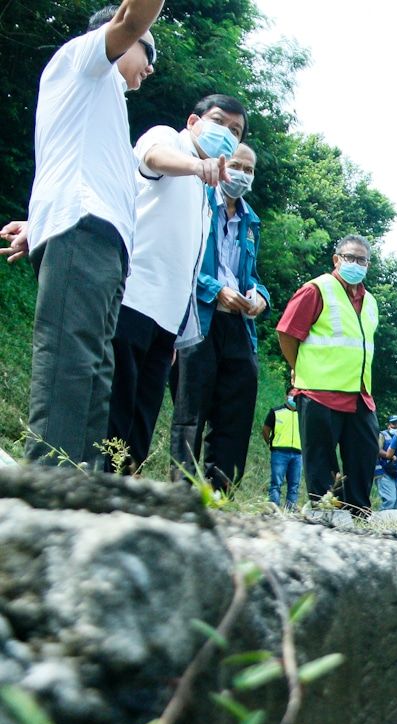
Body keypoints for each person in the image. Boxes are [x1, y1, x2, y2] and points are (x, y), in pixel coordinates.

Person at [0, 1, 163, 468]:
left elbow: (73, 161)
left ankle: (80, 479)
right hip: (84, 231)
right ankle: (50, 478)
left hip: (97, 237)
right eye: (148, 52)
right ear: (120, 37)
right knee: (71, 358)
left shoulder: (99, 97)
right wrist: (57, 219)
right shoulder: (84, 61)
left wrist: (41, 220)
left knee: (94, 366)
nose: (151, 68)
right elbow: (133, 17)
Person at [107, 94, 247, 473]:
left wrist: (178, 332)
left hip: (166, 323)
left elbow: (184, 265)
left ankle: (119, 496)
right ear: (193, 121)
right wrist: (198, 166)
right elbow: (152, 158)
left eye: (236, 131)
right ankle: (91, 490)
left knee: (141, 420)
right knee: (113, 411)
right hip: (131, 301)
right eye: (219, 122)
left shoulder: (205, 199)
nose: (227, 134)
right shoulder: (169, 140)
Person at [170, 142, 268, 490]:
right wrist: (215, 290)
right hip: (201, 318)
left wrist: (260, 298)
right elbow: (181, 258)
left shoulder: (251, 221)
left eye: (250, 169)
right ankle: (181, 489)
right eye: (237, 165)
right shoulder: (197, 202)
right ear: (222, 164)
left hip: (238, 325)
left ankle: (220, 490)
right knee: (191, 408)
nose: (242, 173)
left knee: (236, 409)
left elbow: (251, 275)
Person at [276, 235, 380, 515]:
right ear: (336, 259)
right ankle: (326, 515)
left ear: (368, 265)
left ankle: (358, 515)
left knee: (364, 456)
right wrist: (297, 367)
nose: (355, 264)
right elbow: (286, 332)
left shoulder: (370, 301)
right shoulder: (316, 290)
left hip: (359, 395)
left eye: (361, 260)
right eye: (350, 258)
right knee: (321, 463)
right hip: (319, 391)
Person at [262, 390, 302, 509]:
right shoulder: (276, 412)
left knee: (294, 485)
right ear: (286, 396)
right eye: (291, 394)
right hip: (279, 452)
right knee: (276, 483)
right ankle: (274, 509)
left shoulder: (303, 415)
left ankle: (290, 511)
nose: (293, 397)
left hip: (298, 454)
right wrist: (271, 443)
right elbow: (265, 430)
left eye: (296, 395)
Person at [375, 415, 397, 510]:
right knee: (390, 500)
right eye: (393, 423)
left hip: (395, 472)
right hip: (383, 472)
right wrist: (390, 456)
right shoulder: (382, 435)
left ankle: (391, 523)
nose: (396, 426)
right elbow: (377, 450)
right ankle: (381, 520)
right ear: (388, 425)